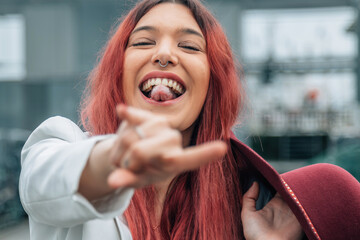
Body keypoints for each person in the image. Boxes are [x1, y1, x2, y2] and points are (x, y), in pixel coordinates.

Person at [19, 0, 360, 239]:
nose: (165, 54)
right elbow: (43, 182)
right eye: (143, 41)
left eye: (191, 47)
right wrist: (110, 162)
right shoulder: (62, 141)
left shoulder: (244, 205)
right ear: (117, 72)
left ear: (212, 85)